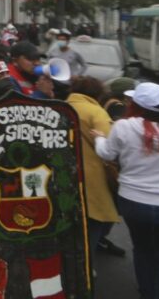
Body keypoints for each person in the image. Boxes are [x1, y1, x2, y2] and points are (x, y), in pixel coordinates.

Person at [93, 82, 159, 299]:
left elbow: (106, 153)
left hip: (134, 204)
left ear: (137, 106)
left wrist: (98, 138)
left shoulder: (125, 126)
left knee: (143, 253)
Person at [65, 76, 120, 265]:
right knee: (93, 224)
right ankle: (85, 268)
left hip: (62, 174)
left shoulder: (60, 107)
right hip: (91, 177)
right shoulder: (96, 112)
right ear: (96, 94)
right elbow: (111, 148)